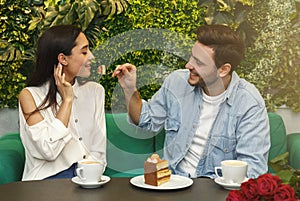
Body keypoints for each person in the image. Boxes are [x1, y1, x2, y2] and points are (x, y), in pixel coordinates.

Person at [112, 24, 270, 178]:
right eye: (192, 57)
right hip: (173, 183)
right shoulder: (177, 82)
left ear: (223, 70)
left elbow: (253, 170)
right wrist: (129, 89)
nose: (188, 65)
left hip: (215, 190)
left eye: (199, 62)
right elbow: (144, 120)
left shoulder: (249, 104)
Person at [18, 25, 106, 181]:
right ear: (63, 59)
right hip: (46, 180)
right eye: (84, 52)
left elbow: (98, 149)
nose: (91, 56)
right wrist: (67, 101)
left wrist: (92, 177)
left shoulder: (95, 91)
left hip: (86, 177)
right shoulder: (30, 96)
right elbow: (48, 150)